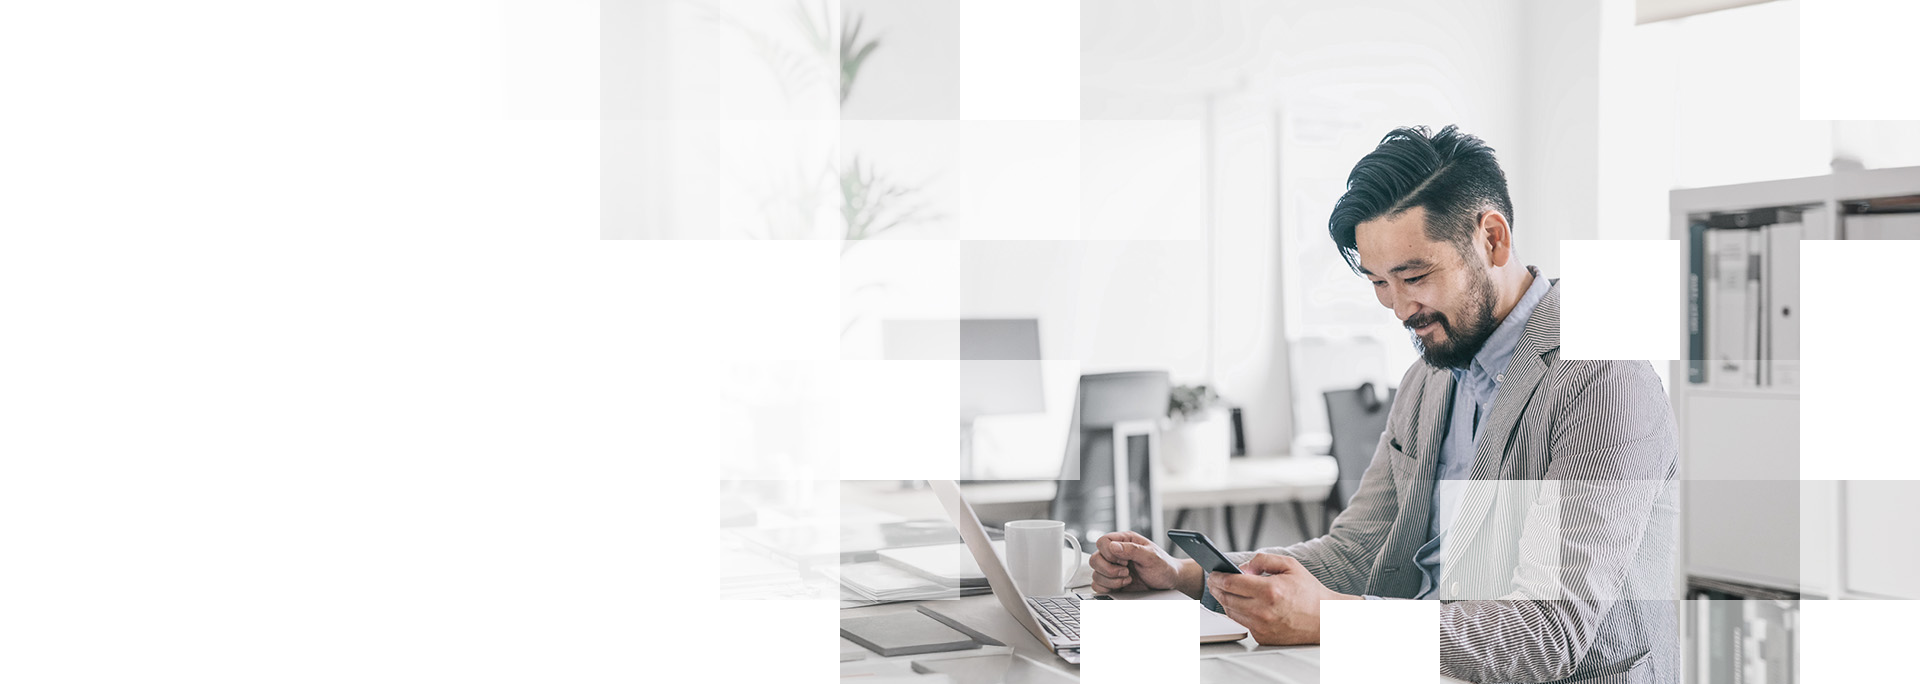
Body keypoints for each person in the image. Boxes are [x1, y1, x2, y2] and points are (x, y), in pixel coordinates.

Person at [1088, 125, 1678, 684]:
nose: (1398, 309)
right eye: (1378, 283)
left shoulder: (1604, 377)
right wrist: (1191, 577)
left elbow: (1551, 631)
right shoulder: (1431, 378)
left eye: (1414, 275)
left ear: (1491, 239)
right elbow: (1357, 551)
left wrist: (1335, 619)